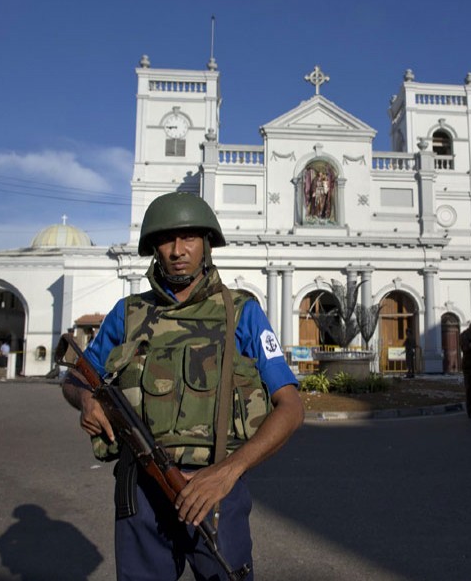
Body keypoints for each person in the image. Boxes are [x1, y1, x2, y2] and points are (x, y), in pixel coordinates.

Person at [61, 192, 304, 581]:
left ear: (206, 244)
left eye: (189, 237)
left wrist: (228, 473)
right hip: (140, 487)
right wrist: (86, 401)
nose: (177, 250)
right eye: (166, 240)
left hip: (215, 488)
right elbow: (75, 378)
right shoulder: (128, 314)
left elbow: (291, 408)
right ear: (154, 249)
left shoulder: (242, 311)